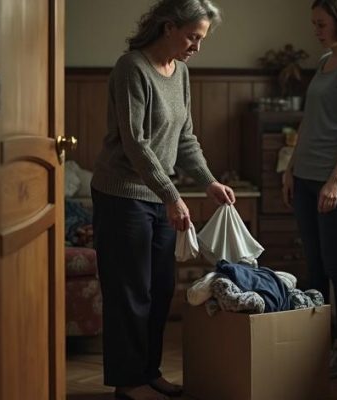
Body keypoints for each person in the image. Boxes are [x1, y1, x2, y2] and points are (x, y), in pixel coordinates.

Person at [89, 1, 233, 399]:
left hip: (157, 194)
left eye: (201, 39)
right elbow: (136, 143)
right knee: (130, 292)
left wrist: (208, 182)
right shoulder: (131, 68)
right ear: (168, 28)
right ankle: (128, 382)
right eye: (192, 37)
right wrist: (172, 194)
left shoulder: (180, 72)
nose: (196, 47)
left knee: (160, 288)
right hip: (122, 195)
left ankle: (149, 372)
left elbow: (185, 137)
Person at [280, 0, 337, 379]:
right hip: (305, 177)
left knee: (336, 265)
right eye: (314, 23)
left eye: (321, 24)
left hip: (336, 182)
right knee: (314, 265)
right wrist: (290, 167)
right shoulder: (324, 62)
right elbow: (309, 120)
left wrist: (335, 180)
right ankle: (314, 344)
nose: (315, 30)